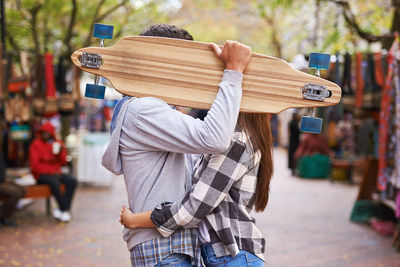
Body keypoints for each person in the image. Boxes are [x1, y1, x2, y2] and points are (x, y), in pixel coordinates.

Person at [101, 24, 252, 266]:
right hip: (163, 248)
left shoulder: (154, 111)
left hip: (172, 246)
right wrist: (233, 72)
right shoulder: (143, 110)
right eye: (183, 64)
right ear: (162, 63)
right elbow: (214, 138)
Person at [120, 112, 273, 266]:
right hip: (230, 257)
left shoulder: (237, 142)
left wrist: (135, 220)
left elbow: (195, 208)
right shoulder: (233, 138)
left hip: (235, 257)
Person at [29, 121, 77, 222]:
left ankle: (61, 209)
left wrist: (60, 152)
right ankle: (65, 209)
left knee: (72, 181)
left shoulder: (57, 144)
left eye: (47, 133)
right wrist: (51, 172)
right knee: (55, 183)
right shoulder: (35, 145)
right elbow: (35, 166)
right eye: (43, 133)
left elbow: (63, 162)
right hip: (41, 175)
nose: (45, 135)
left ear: (51, 133)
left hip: (56, 173)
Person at [0, 153, 26, 227]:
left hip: (3, 181)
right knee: (15, 193)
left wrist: (8, 176)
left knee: (22, 190)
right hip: (1, 182)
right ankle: (3, 217)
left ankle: (6, 211)